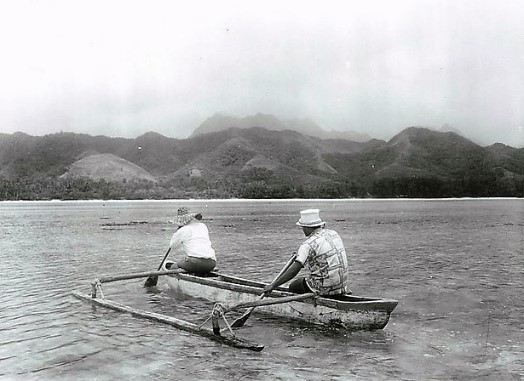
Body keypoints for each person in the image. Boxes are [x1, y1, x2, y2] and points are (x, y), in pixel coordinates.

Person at [263, 208, 350, 296]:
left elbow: (294, 270)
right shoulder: (334, 234)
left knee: (294, 286)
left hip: (323, 289)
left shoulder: (307, 245)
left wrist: (273, 286)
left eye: (303, 227)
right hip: (341, 286)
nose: (302, 229)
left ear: (308, 228)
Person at [166, 207, 217, 274]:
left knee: (173, 267)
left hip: (195, 263)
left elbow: (173, 246)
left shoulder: (182, 230)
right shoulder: (203, 226)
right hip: (212, 263)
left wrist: (177, 233)